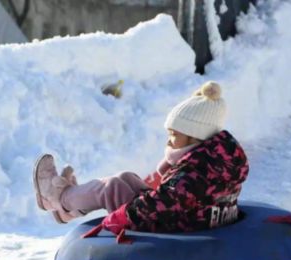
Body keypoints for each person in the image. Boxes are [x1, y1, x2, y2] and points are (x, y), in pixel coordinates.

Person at [33, 81, 249, 241]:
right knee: (126, 178)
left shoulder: (194, 173)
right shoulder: (220, 160)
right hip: (192, 220)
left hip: (173, 233)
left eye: (174, 135)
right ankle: (67, 207)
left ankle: (57, 199)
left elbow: (162, 203)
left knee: (113, 188)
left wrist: (119, 217)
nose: (169, 140)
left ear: (195, 136)